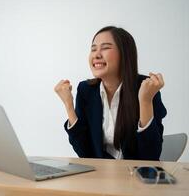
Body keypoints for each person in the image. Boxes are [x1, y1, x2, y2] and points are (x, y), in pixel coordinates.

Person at [54, 26, 167, 160]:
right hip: (101, 177)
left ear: (124, 53)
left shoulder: (146, 88)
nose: (96, 54)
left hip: (134, 177)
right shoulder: (86, 90)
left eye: (105, 47)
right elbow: (84, 153)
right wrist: (68, 105)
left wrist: (145, 101)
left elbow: (150, 157)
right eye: (93, 49)